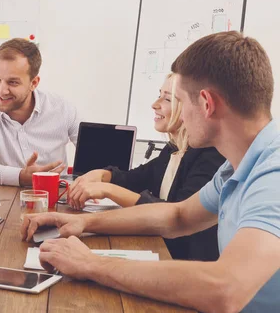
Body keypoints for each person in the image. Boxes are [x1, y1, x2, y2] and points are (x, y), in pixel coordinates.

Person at [21, 31, 280, 312]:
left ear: (207, 103)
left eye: (180, 101)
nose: (178, 115)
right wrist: (83, 223)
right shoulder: (237, 165)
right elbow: (177, 215)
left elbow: (226, 289)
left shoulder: (272, 176)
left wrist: (91, 264)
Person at [67, 73, 225, 261]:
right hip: (162, 250)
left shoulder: (210, 156)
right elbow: (135, 178)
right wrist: (102, 175)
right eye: (159, 94)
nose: (155, 104)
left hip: (183, 262)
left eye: (167, 98)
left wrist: (107, 189)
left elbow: (176, 215)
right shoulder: (173, 149)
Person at [0, 38, 81, 186]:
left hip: (54, 199)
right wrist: (20, 176)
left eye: (13, 82)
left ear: (34, 83)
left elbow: (93, 160)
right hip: (2, 199)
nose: (2, 90)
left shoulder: (63, 109)